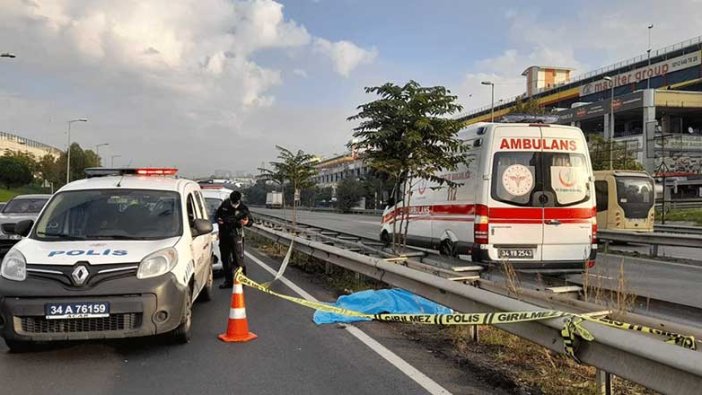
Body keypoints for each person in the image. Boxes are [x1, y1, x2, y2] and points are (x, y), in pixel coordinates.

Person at [216, 191, 254, 288]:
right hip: (224, 235)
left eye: (236, 203)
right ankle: (228, 281)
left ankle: (243, 280)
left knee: (238, 259)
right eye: (233, 203)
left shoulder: (243, 208)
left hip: (237, 236)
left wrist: (246, 222)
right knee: (225, 259)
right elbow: (217, 215)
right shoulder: (225, 204)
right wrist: (219, 220)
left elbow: (250, 221)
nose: (234, 205)